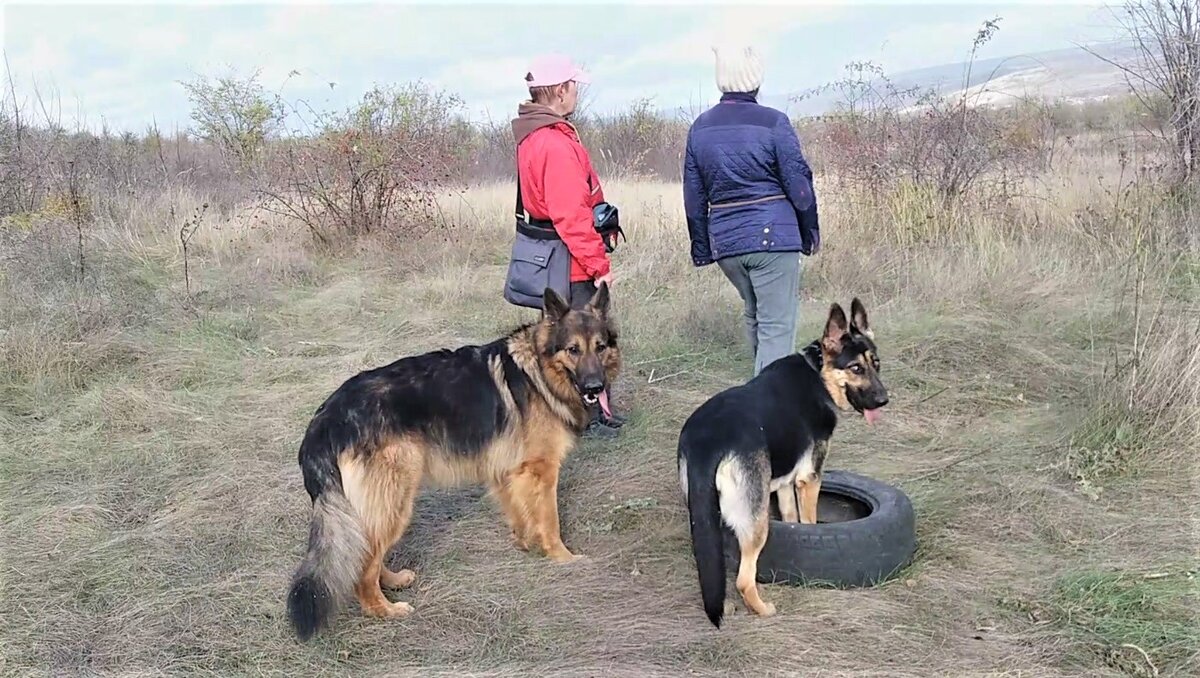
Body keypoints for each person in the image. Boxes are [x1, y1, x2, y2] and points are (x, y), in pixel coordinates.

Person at [683, 45, 821, 377]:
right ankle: (768, 412)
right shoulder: (774, 122)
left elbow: (693, 197)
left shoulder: (699, 128)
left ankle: (762, 393)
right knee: (777, 325)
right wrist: (810, 233)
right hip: (773, 240)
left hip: (727, 245)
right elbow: (799, 186)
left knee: (756, 314)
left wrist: (703, 249)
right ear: (755, 78)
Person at [511, 53, 625, 437]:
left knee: (572, 344)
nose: (576, 93)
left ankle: (593, 414)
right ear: (561, 90)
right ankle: (589, 421)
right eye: (574, 85)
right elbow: (571, 216)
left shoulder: (534, 134)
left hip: (563, 259)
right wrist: (598, 264)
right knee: (584, 345)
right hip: (571, 263)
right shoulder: (553, 143)